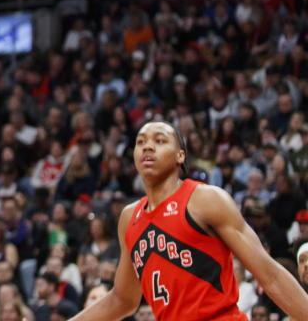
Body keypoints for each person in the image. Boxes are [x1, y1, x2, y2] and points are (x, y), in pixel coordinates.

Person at [68, 121, 308, 321]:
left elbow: (270, 274)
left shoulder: (206, 199)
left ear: (180, 155)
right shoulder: (129, 218)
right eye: (141, 142)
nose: (147, 147)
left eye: (159, 141)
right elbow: (122, 299)